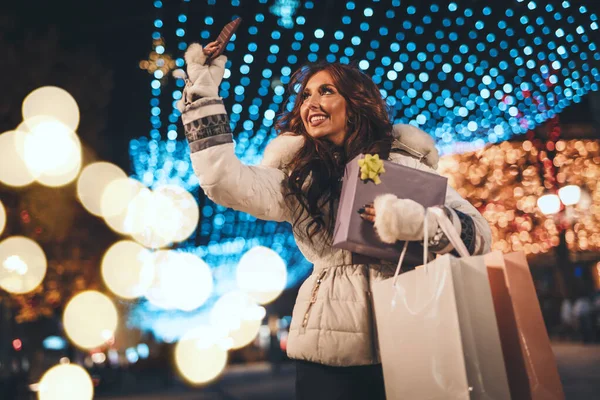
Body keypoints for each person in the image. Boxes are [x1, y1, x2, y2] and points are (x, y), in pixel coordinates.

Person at [178, 41, 492, 400]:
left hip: (412, 331)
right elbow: (223, 181)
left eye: (326, 91)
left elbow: (479, 235)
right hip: (325, 349)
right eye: (306, 95)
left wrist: (415, 222)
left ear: (355, 102)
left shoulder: (404, 164)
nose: (311, 102)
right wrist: (202, 86)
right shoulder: (296, 177)